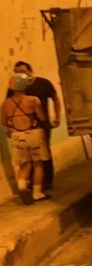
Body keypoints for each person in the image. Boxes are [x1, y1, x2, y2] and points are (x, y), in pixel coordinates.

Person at [5, 61, 60, 190]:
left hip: (40, 127)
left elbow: (55, 98)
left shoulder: (43, 83)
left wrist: (57, 116)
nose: (20, 74)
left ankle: (45, 182)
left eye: (23, 71)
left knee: (41, 156)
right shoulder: (14, 88)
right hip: (23, 129)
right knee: (31, 159)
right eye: (17, 72)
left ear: (30, 71)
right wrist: (9, 127)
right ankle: (35, 186)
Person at [2, 73, 52, 205]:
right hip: (34, 134)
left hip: (17, 136)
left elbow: (3, 122)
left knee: (24, 166)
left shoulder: (6, 104)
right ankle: (37, 193)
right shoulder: (33, 100)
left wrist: (13, 125)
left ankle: (22, 188)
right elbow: (42, 118)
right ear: (26, 85)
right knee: (38, 164)